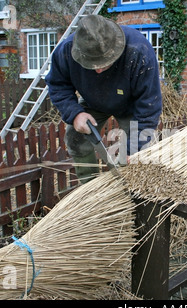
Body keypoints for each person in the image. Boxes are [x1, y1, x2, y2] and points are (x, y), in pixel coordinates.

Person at [45, 15, 162, 183]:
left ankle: (135, 191)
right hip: (93, 101)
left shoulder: (138, 51)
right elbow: (57, 84)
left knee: (140, 150)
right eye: (91, 64)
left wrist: (131, 150)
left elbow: (149, 107)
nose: (98, 70)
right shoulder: (65, 50)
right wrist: (75, 114)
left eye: (104, 63)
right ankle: (90, 187)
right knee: (75, 138)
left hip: (132, 105)